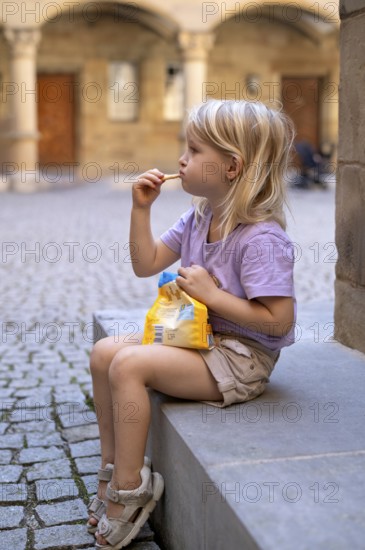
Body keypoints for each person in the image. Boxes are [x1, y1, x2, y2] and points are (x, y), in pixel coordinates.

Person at [88, 99, 297, 549]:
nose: (182, 159)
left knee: (128, 366)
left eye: (195, 149)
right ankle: (110, 468)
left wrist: (214, 295)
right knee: (105, 352)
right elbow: (146, 264)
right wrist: (141, 209)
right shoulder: (199, 216)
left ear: (232, 167)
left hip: (241, 358)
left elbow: (279, 323)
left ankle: (131, 490)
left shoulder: (262, 238)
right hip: (199, 340)